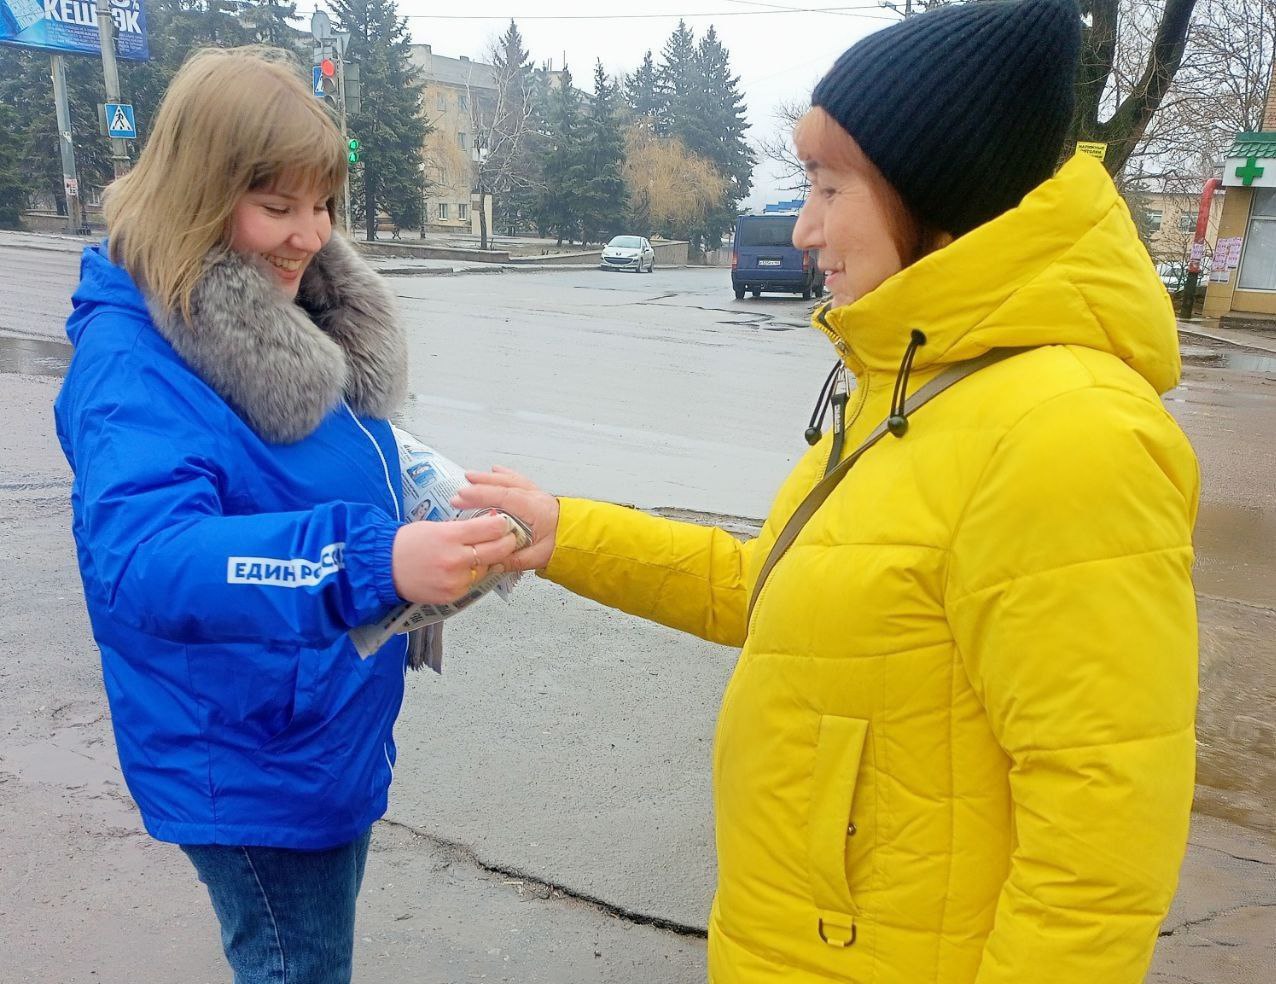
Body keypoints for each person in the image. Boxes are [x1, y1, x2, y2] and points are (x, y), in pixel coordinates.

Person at [453, 1, 1199, 981]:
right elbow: (767, 592)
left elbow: (1101, 835)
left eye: (827, 187)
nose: (802, 229)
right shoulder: (914, 386)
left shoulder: (1067, 432)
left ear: (932, 196)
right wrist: (564, 533)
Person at [53, 47, 518, 984]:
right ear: (198, 194)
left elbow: (318, 456)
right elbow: (145, 557)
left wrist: (424, 491)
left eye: (324, 205)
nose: (310, 236)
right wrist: (369, 563)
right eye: (278, 207)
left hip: (311, 731)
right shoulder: (133, 363)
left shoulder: (280, 313)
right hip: (250, 760)